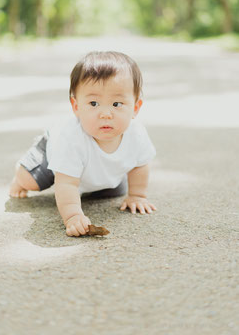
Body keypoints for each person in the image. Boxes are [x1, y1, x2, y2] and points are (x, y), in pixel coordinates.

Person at [9, 51, 157, 237]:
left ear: (135, 108)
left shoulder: (137, 133)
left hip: (95, 170)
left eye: (117, 104)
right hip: (55, 158)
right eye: (94, 103)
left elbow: (140, 165)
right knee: (28, 181)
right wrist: (73, 216)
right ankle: (22, 171)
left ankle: (96, 183)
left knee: (116, 189)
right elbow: (66, 184)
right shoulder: (70, 139)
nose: (105, 113)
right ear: (76, 106)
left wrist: (137, 195)